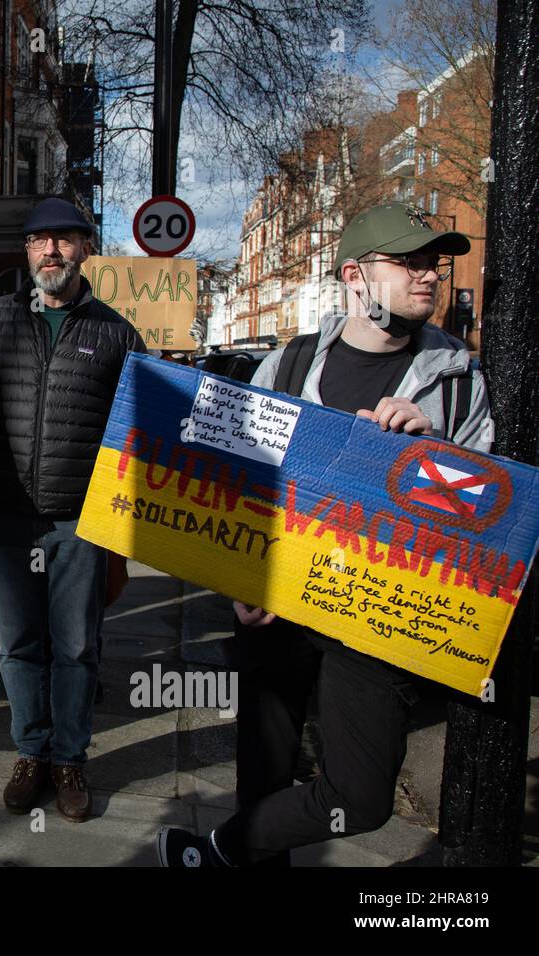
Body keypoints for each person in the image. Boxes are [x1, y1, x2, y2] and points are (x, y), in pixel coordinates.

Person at [158, 202, 493, 866]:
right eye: (409, 262)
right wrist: (236, 582)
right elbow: (232, 484)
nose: (428, 276)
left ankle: (216, 851)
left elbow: (486, 515)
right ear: (355, 276)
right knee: (263, 776)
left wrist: (434, 457)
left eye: (434, 262)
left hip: (375, 619)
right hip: (275, 612)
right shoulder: (287, 366)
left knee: (361, 797)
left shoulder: (456, 379)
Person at [0, 198, 146, 823]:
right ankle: (30, 752)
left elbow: (141, 429)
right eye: (40, 240)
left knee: (75, 647)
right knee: (18, 644)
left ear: (85, 249)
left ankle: (70, 757)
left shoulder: (117, 334)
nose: (52, 251)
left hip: (81, 519)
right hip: (6, 514)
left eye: (65, 240)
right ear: (27, 251)